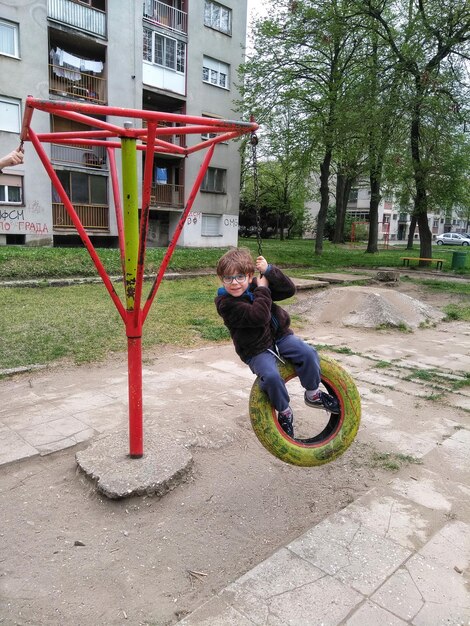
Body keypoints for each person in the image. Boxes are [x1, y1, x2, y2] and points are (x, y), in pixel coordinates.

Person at [215, 247, 339, 439]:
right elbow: (259, 316)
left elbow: (288, 290)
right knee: (272, 377)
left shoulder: (257, 284)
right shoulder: (226, 304)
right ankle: (284, 411)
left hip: (280, 336)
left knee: (308, 353)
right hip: (256, 350)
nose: (234, 283)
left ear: (249, 277)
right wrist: (263, 289)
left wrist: (269, 271)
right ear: (222, 280)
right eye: (228, 278)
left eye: (240, 277)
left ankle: (313, 394)